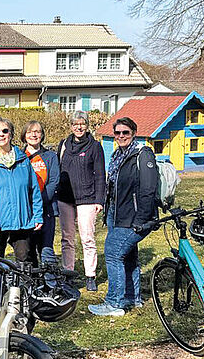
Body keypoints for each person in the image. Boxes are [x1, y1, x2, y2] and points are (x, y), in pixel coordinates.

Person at [89, 117, 158, 317]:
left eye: (125, 132)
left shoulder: (143, 154)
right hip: (117, 214)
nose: (121, 136)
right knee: (128, 256)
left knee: (113, 253)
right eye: (117, 133)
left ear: (134, 133)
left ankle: (114, 303)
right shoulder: (118, 155)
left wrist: (140, 220)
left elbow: (148, 189)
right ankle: (132, 297)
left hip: (134, 217)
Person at [0, 118, 43, 263]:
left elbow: (34, 190)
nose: (1, 134)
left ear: (11, 134)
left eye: (5, 131)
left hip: (22, 219)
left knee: (25, 260)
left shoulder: (23, 160)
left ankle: (24, 279)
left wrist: (38, 215)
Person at [57, 110, 106, 292]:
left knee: (87, 238)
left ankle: (90, 275)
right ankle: (68, 273)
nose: (79, 127)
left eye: (82, 124)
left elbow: (100, 175)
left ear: (87, 126)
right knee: (67, 238)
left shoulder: (95, 146)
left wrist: (99, 200)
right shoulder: (63, 145)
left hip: (87, 198)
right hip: (65, 198)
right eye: (75, 124)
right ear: (70, 126)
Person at [22, 120, 60, 268]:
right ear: (24, 135)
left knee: (46, 248)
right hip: (26, 210)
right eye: (30, 132)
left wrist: (38, 201)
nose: (34, 135)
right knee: (28, 250)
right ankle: (33, 279)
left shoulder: (51, 156)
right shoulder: (19, 156)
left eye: (37, 132)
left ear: (42, 135)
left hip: (46, 209)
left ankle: (50, 279)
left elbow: (54, 181)